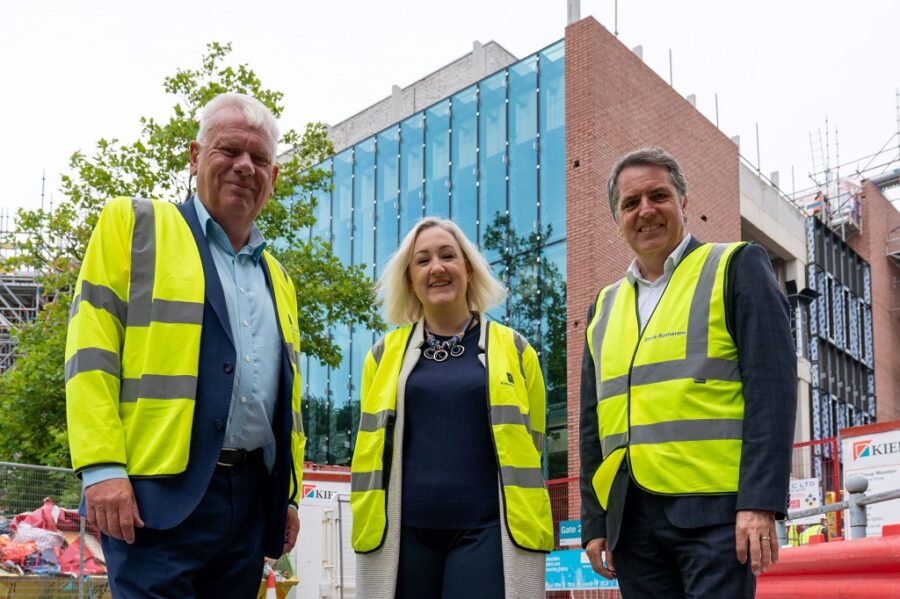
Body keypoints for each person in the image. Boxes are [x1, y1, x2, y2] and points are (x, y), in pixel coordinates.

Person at [65, 93, 306, 598]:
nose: (245, 166)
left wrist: (289, 496)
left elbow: (288, 403)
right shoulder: (134, 225)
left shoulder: (278, 278)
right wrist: (102, 468)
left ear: (273, 178)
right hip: (154, 498)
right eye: (229, 150)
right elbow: (91, 354)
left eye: (259, 158)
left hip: (248, 505)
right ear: (196, 157)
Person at [579, 147, 797, 598]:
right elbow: (591, 424)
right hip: (632, 519)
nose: (646, 210)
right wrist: (595, 521)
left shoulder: (734, 267)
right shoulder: (603, 307)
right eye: (630, 203)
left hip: (717, 515)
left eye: (658, 195)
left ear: (683, 201)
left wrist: (760, 503)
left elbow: (772, 393)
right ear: (616, 220)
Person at [350, 218, 553, 598]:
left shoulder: (517, 349)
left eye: (448, 256)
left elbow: (532, 443)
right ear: (410, 279)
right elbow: (372, 450)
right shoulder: (380, 356)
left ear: (469, 268)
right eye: (422, 261)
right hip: (401, 536)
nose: (437, 268)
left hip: (489, 532)